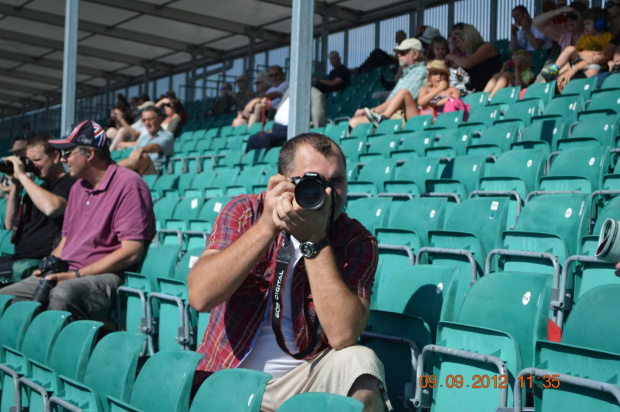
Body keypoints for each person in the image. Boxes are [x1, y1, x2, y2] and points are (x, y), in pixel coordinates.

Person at [188, 133, 388, 411]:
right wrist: (267, 228)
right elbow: (200, 296)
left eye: (337, 181)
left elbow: (343, 335)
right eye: (313, 181)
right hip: (227, 377)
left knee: (361, 363)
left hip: (301, 384)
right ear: (284, 182)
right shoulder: (247, 212)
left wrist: (315, 242)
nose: (327, 193)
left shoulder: (357, 240)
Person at [0, 120, 155, 321]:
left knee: (62, 294)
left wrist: (76, 275)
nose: (63, 160)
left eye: (68, 153)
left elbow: (132, 252)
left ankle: (55, 352)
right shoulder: (78, 188)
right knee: (4, 298)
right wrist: (47, 269)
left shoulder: (129, 185)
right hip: (68, 271)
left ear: (89, 155)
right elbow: (66, 240)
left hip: (105, 276)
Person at [0, 134, 76, 278]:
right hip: (18, 258)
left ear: (55, 156)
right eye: (30, 161)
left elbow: (52, 208)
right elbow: (9, 223)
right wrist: (16, 183)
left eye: (37, 160)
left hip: (37, 262)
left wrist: (22, 176)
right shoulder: (37, 189)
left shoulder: (70, 184)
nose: (33, 165)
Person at [349, 37, 427, 130]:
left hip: (403, 115)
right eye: (398, 52)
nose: (398, 55)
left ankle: (380, 120)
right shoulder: (408, 73)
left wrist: (373, 110)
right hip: (394, 113)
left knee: (355, 123)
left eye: (403, 53)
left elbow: (401, 98)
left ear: (415, 55)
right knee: (353, 122)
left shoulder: (420, 71)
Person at [365, 60, 461, 126]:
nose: (439, 77)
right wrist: (438, 90)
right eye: (435, 74)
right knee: (404, 92)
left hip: (439, 121)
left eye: (442, 74)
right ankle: (383, 117)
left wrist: (433, 102)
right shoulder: (425, 89)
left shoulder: (451, 90)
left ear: (446, 76)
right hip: (421, 119)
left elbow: (454, 99)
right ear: (430, 76)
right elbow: (421, 102)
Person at [541, 7, 614, 81]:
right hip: (580, 61)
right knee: (570, 49)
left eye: (588, 23)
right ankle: (553, 70)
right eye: (585, 24)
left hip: (595, 63)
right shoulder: (585, 38)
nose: (585, 26)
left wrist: (610, 61)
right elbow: (577, 52)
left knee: (591, 72)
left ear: (600, 23)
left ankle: (588, 89)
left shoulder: (608, 37)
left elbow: (608, 55)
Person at [245, 87, 326, 153]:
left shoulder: (314, 93)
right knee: (252, 139)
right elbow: (276, 111)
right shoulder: (289, 91)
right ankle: (249, 167)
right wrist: (267, 108)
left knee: (266, 138)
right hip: (276, 128)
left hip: (293, 129)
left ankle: (267, 165)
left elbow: (318, 118)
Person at [118, 106, 174, 176]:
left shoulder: (167, 135)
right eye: (144, 120)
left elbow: (156, 147)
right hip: (137, 171)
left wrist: (141, 149)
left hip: (154, 172)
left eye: (150, 119)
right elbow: (132, 158)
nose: (147, 123)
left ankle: (111, 171)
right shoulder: (143, 138)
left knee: (144, 157)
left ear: (160, 119)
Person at [446, 24, 502, 92]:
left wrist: (451, 56)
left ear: (467, 39)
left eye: (458, 41)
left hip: (488, 90)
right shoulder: (466, 56)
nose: (457, 45)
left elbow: (468, 63)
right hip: (474, 92)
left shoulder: (487, 47)